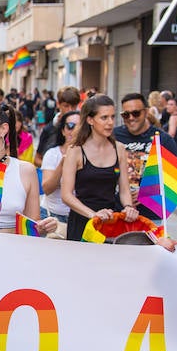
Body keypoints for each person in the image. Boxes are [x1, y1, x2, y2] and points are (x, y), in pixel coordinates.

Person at [0, 103, 56, 235]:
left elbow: (32, 224)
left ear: (3, 129)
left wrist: (44, 227)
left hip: (14, 248)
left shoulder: (25, 170)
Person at [58, 95, 138, 242]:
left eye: (113, 117)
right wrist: (93, 215)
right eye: (104, 118)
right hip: (83, 220)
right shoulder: (75, 150)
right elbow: (66, 195)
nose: (110, 123)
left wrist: (128, 207)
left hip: (109, 220)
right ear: (90, 120)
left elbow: (125, 189)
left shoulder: (118, 148)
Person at [114, 93, 177, 215]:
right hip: (116, 212)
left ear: (145, 112)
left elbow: (176, 181)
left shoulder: (163, 140)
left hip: (150, 216)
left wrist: (146, 193)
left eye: (136, 113)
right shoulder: (114, 136)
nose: (130, 118)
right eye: (125, 114)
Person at [39, 110, 80, 229]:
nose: (75, 131)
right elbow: (47, 188)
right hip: (53, 216)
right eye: (70, 126)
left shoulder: (89, 154)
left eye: (80, 126)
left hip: (80, 216)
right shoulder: (52, 154)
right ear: (63, 130)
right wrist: (63, 164)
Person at [35, 86, 80, 165]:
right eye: (66, 106)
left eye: (73, 106)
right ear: (58, 104)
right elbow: (37, 159)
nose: (70, 110)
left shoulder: (83, 128)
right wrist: (52, 167)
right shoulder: (48, 129)